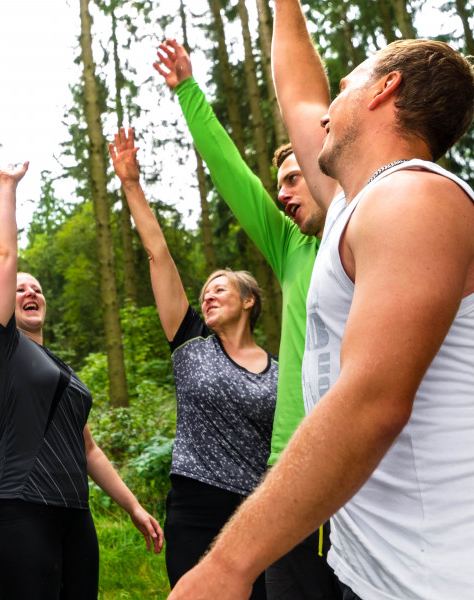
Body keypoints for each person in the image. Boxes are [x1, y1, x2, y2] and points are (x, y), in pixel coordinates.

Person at [167, 1, 474, 598]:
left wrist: (228, 565)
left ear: (386, 89)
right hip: (374, 572)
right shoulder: (355, 205)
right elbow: (298, 92)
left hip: (439, 577)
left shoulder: (416, 198)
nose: (326, 107)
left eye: (346, 87)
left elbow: (371, 403)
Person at [154, 39, 340, 599]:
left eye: (293, 178)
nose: (282, 194)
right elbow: (230, 172)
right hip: (293, 474)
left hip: (367, 469)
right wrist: (187, 91)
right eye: (278, 183)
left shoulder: (369, 229)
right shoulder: (291, 246)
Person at [0, 157, 163, 600]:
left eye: (37, 288)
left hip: (73, 513)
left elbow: (88, 447)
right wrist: (7, 187)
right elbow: (4, 256)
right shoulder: (1, 349)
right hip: (20, 509)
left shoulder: (61, 368)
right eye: (20, 288)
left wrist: (133, 506)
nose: (30, 292)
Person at [109, 128, 276, 597]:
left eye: (220, 287)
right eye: (204, 291)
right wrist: (131, 184)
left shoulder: (282, 370)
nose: (208, 293)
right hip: (195, 507)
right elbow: (158, 255)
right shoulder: (191, 344)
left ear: (249, 302)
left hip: (257, 513)